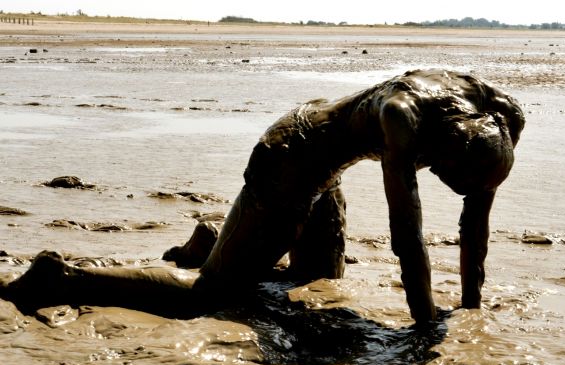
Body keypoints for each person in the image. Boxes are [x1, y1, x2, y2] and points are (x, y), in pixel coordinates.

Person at [1, 69, 524, 325]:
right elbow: (406, 235)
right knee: (204, 296)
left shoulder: (499, 116)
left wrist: (471, 305)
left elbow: (474, 215)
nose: (456, 190)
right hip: (291, 154)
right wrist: (426, 318)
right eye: (449, 177)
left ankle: (214, 239)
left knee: (315, 281)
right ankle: (60, 278)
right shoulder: (401, 118)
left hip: (327, 166)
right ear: (445, 151)